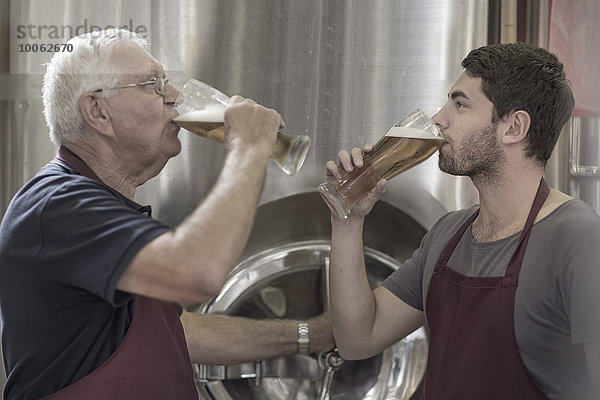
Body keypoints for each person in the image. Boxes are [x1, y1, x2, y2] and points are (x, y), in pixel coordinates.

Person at [0, 29, 333, 400]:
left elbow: (175, 332)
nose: (175, 98)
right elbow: (198, 274)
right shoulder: (59, 204)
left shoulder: (100, 205)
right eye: (152, 85)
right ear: (97, 111)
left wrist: (311, 334)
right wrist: (248, 148)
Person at [324, 42, 600, 399]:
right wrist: (347, 222)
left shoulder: (579, 241)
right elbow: (357, 339)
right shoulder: (448, 233)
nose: (439, 119)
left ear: (514, 127)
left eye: (459, 104)